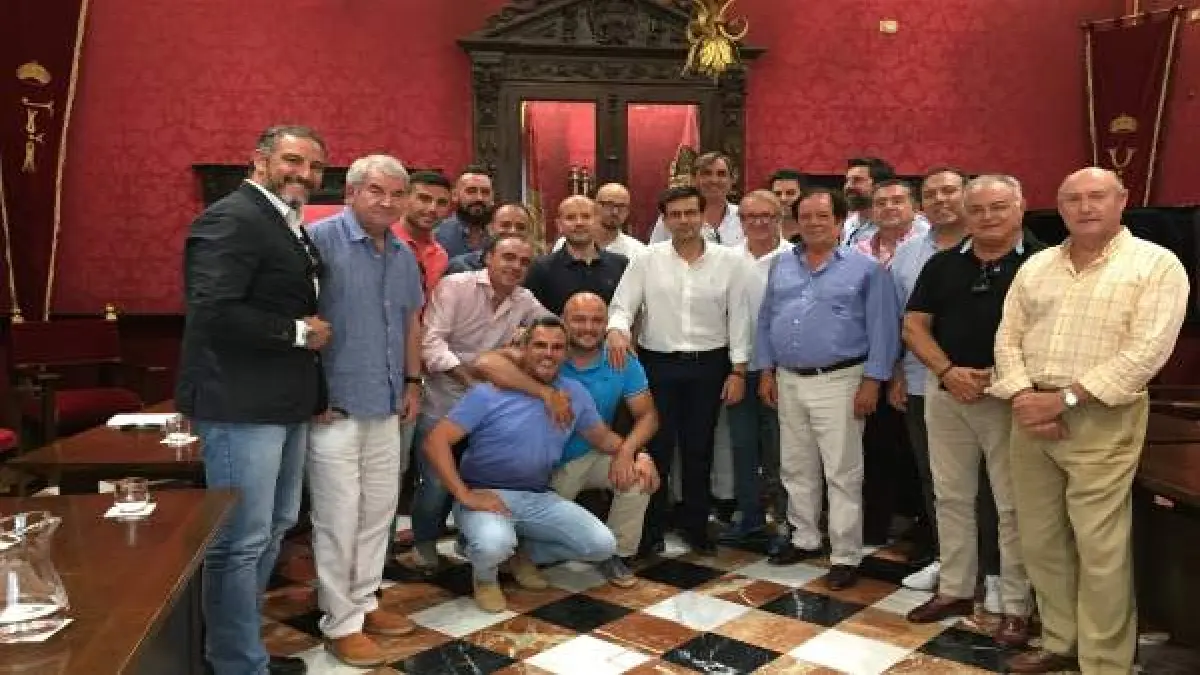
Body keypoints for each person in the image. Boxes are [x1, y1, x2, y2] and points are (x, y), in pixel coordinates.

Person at [990, 168, 1189, 675]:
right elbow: (1007, 337)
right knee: (1040, 539)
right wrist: (1026, 397)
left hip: (1102, 416)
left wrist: (1064, 400)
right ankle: (1061, 641)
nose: (1085, 207)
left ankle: (1104, 661)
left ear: (1122, 200)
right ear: (1059, 208)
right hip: (1030, 414)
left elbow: (1147, 352)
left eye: (1097, 196)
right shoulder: (1037, 266)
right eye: (1073, 199)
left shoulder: (1156, 265)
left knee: (1100, 546)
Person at [177, 124, 329, 675]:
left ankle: (244, 653)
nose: (304, 174)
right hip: (238, 403)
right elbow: (212, 310)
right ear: (260, 160)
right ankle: (234, 662)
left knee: (274, 527)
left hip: (284, 401)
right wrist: (296, 332)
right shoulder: (232, 217)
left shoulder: (285, 222)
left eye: (314, 167)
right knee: (239, 541)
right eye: (293, 161)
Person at [423, 316, 660, 611]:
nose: (548, 354)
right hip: (485, 494)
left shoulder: (573, 393)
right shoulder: (488, 393)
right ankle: (485, 576)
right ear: (524, 349)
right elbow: (435, 441)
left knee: (601, 545)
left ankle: (517, 554)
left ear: (565, 353)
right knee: (494, 544)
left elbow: (602, 438)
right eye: (540, 345)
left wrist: (639, 454)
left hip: (537, 496)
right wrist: (463, 494)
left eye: (557, 347)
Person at [900, 174, 1043, 649]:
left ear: (1020, 207)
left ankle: (1016, 606)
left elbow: (1050, 335)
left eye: (998, 207)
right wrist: (947, 371)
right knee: (951, 497)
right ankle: (956, 590)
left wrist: (1003, 378)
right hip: (948, 394)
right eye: (977, 209)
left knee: (1011, 505)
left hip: (1010, 398)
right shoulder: (943, 265)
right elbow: (914, 325)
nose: (987, 217)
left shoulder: (1043, 263)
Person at [303, 155, 424, 667]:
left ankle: (364, 599)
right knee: (337, 517)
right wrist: (310, 394)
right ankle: (340, 622)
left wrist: (414, 381)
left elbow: (412, 323)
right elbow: (301, 323)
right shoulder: (318, 243)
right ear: (351, 193)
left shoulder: (402, 253)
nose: (387, 202)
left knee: (378, 513)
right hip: (334, 407)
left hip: (387, 403)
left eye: (396, 194)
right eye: (376, 190)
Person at [756, 187, 899, 590]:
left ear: (839, 222)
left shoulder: (866, 269)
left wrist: (873, 382)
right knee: (795, 465)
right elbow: (766, 319)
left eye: (823, 216)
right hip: (788, 379)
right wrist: (765, 370)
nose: (814, 223)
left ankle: (845, 554)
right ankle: (804, 538)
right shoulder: (782, 264)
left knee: (842, 471)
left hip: (840, 380)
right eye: (806, 216)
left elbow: (884, 329)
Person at [475, 292, 660, 585]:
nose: (588, 327)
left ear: (607, 324)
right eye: (579, 319)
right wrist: (542, 387)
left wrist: (633, 453)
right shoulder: (548, 353)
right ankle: (505, 549)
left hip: (593, 451)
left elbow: (647, 415)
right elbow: (484, 364)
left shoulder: (620, 360)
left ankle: (617, 555)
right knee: (524, 545)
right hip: (542, 465)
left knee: (637, 479)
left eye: (597, 320)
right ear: (563, 321)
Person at [609, 185, 752, 555]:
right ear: (665, 219)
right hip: (658, 365)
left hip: (710, 365)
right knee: (657, 447)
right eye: (675, 214)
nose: (684, 220)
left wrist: (738, 370)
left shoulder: (729, 261)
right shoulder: (646, 259)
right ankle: (651, 530)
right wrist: (617, 331)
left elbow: (739, 318)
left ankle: (695, 526)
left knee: (699, 448)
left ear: (702, 216)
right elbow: (621, 306)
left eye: (691, 212)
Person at [409, 233, 552, 574]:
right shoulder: (455, 287)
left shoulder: (524, 300)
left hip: (488, 412)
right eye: (508, 257)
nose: (516, 266)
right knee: (436, 482)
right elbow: (431, 344)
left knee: (483, 478)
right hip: (443, 403)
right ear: (487, 258)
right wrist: (471, 381)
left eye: (523, 262)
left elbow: (553, 328)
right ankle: (424, 543)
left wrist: (519, 349)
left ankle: (473, 540)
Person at [719, 190, 791, 548]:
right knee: (742, 446)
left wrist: (772, 370)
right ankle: (749, 516)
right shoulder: (728, 259)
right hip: (738, 367)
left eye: (767, 215)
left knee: (781, 450)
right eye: (750, 216)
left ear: (779, 217)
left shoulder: (794, 258)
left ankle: (785, 523)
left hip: (781, 370)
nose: (759, 222)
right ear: (741, 221)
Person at [524, 195, 628, 315]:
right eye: (571, 218)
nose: (579, 223)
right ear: (559, 225)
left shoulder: (621, 265)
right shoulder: (539, 268)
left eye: (586, 216)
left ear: (597, 221)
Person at [647, 151, 744, 246]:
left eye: (721, 174)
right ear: (693, 179)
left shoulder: (744, 215)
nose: (714, 180)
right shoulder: (674, 215)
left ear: (732, 179)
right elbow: (654, 253)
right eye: (707, 173)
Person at [392, 170, 452, 299]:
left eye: (441, 203)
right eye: (424, 199)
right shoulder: (380, 241)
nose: (432, 208)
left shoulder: (440, 256)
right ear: (404, 199)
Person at [551, 183, 647, 260]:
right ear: (595, 206)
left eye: (621, 206)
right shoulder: (565, 244)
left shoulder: (638, 251)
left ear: (627, 212)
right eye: (609, 205)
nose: (615, 212)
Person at [445, 203, 533, 274]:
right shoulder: (461, 266)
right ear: (490, 228)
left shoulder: (533, 270)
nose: (513, 231)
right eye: (505, 225)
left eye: (521, 227)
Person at [434, 168, 495, 259]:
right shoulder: (437, 235)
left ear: (492, 198)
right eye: (471, 191)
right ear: (455, 195)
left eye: (485, 192)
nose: (479, 198)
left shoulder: (499, 235)